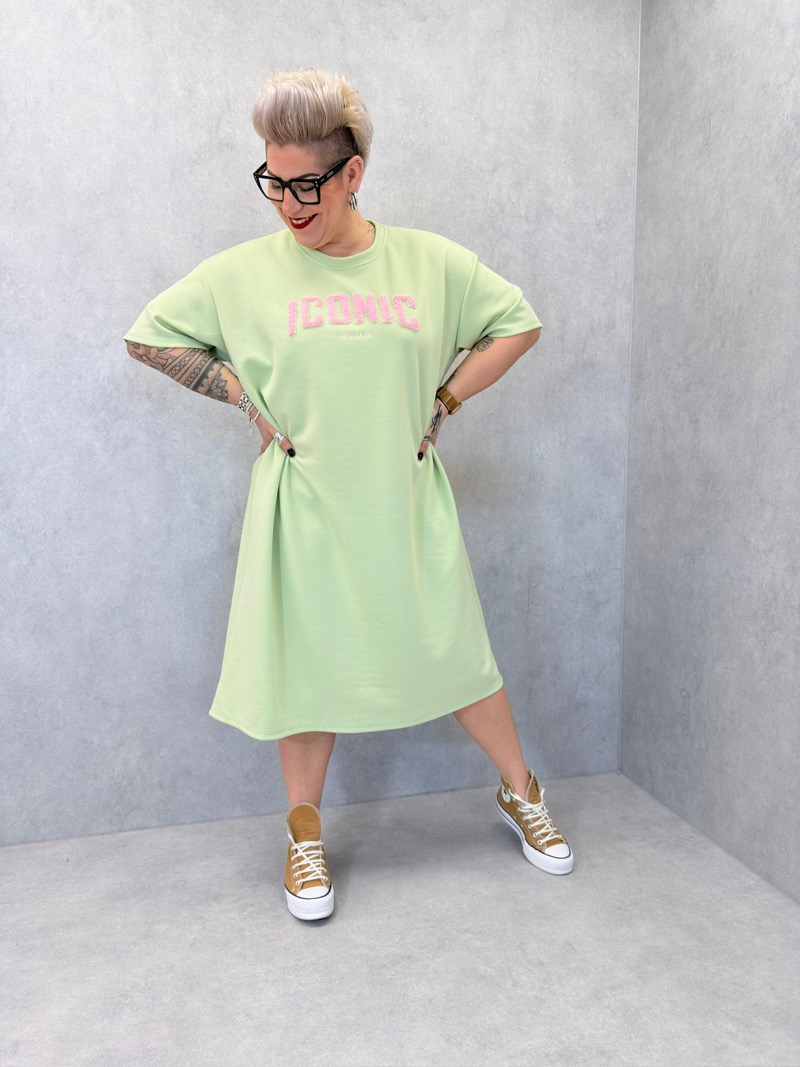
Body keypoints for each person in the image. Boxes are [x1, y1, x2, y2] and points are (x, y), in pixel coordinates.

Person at [123, 67, 573, 922]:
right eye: (272, 181)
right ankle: (303, 837)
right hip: (303, 507)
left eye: (305, 184)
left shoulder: (429, 263)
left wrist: (445, 399)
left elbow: (518, 322)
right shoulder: (241, 275)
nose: (287, 204)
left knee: (457, 651)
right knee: (310, 669)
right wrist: (243, 399)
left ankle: (523, 792)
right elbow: (149, 338)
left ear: (353, 172)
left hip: (403, 502)